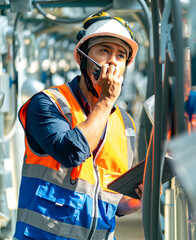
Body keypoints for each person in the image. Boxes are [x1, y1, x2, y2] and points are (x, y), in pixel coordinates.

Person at [14, 12, 142, 240]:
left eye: (121, 55)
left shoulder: (125, 124)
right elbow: (71, 152)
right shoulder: (47, 104)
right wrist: (105, 101)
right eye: (104, 50)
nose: (112, 60)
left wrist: (138, 197)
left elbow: (113, 201)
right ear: (80, 57)